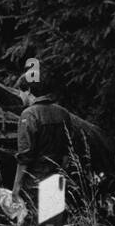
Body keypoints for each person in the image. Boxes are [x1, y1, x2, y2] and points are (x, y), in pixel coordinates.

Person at [10, 77, 76, 215]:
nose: (20, 96)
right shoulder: (63, 112)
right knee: (53, 224)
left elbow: (24, 156)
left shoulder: (29, 114)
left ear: (28, 90)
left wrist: (16, 188)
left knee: (36, 222)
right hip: (57, 177)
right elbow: (67, 151)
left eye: (20, 92)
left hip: (35, 181)